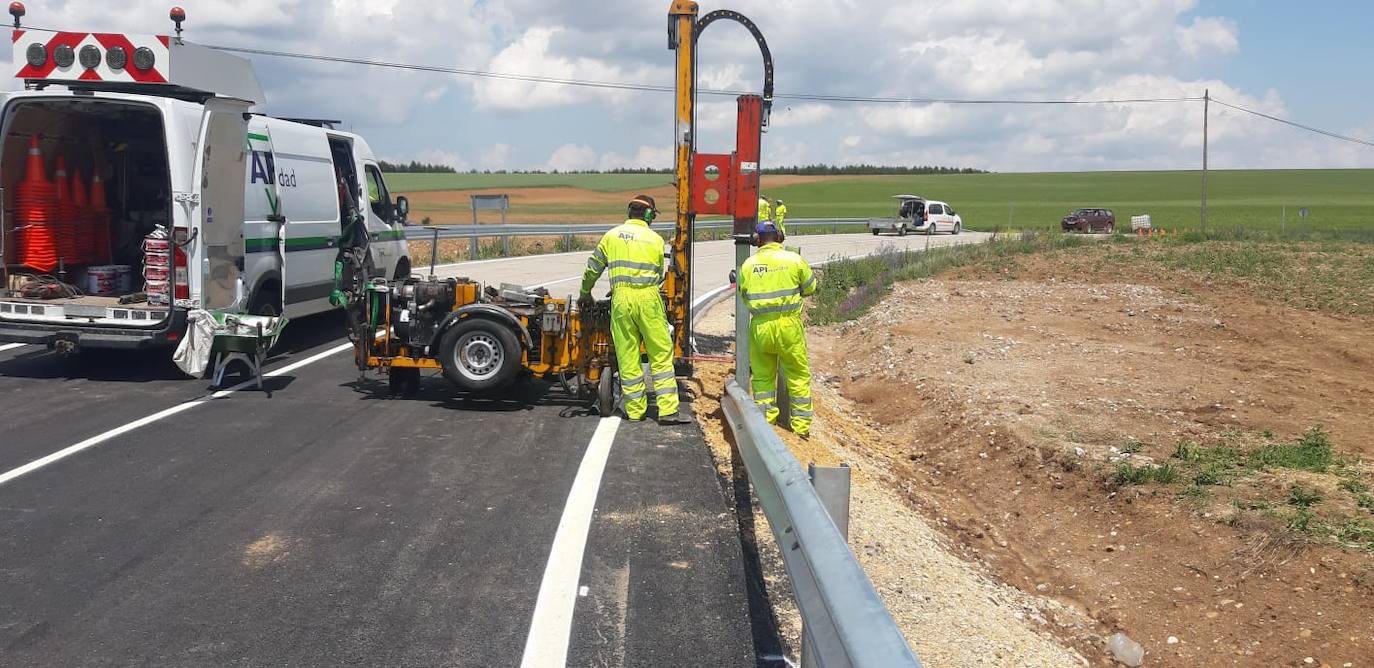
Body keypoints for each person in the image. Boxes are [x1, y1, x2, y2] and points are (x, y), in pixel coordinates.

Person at [579, 195, 687, 425]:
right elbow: (659, 274)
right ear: (649, 215)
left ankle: (635, 411)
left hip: (621, 300)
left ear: (629, 212)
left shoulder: (611, 236)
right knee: (660, 354)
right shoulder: (656, 240)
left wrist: (585, 292)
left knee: (627, 356)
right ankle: (668, 411)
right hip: (648, 299)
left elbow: (593, 268)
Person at [737, 220, 817, 437]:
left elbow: (744, 295)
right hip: (788, 324)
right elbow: (811, 287)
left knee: (763, 377)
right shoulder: (794, 259)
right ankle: (801, 428)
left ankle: (765, 424)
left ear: (757, 240)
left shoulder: (747, 265)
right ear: (779, 238)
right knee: (798, 374)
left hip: (761, 326)